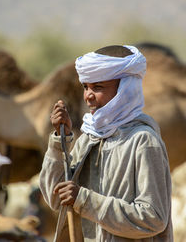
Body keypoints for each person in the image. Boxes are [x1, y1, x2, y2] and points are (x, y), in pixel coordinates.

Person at [39, 45, 173, 241]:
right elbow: (57, 199)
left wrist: (84, 200)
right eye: (86, 87)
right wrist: (60, 141)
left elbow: (153, 218)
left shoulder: (143, 141)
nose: (88, 96)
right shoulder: (88, 139)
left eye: (98, 87)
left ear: (125, 90)